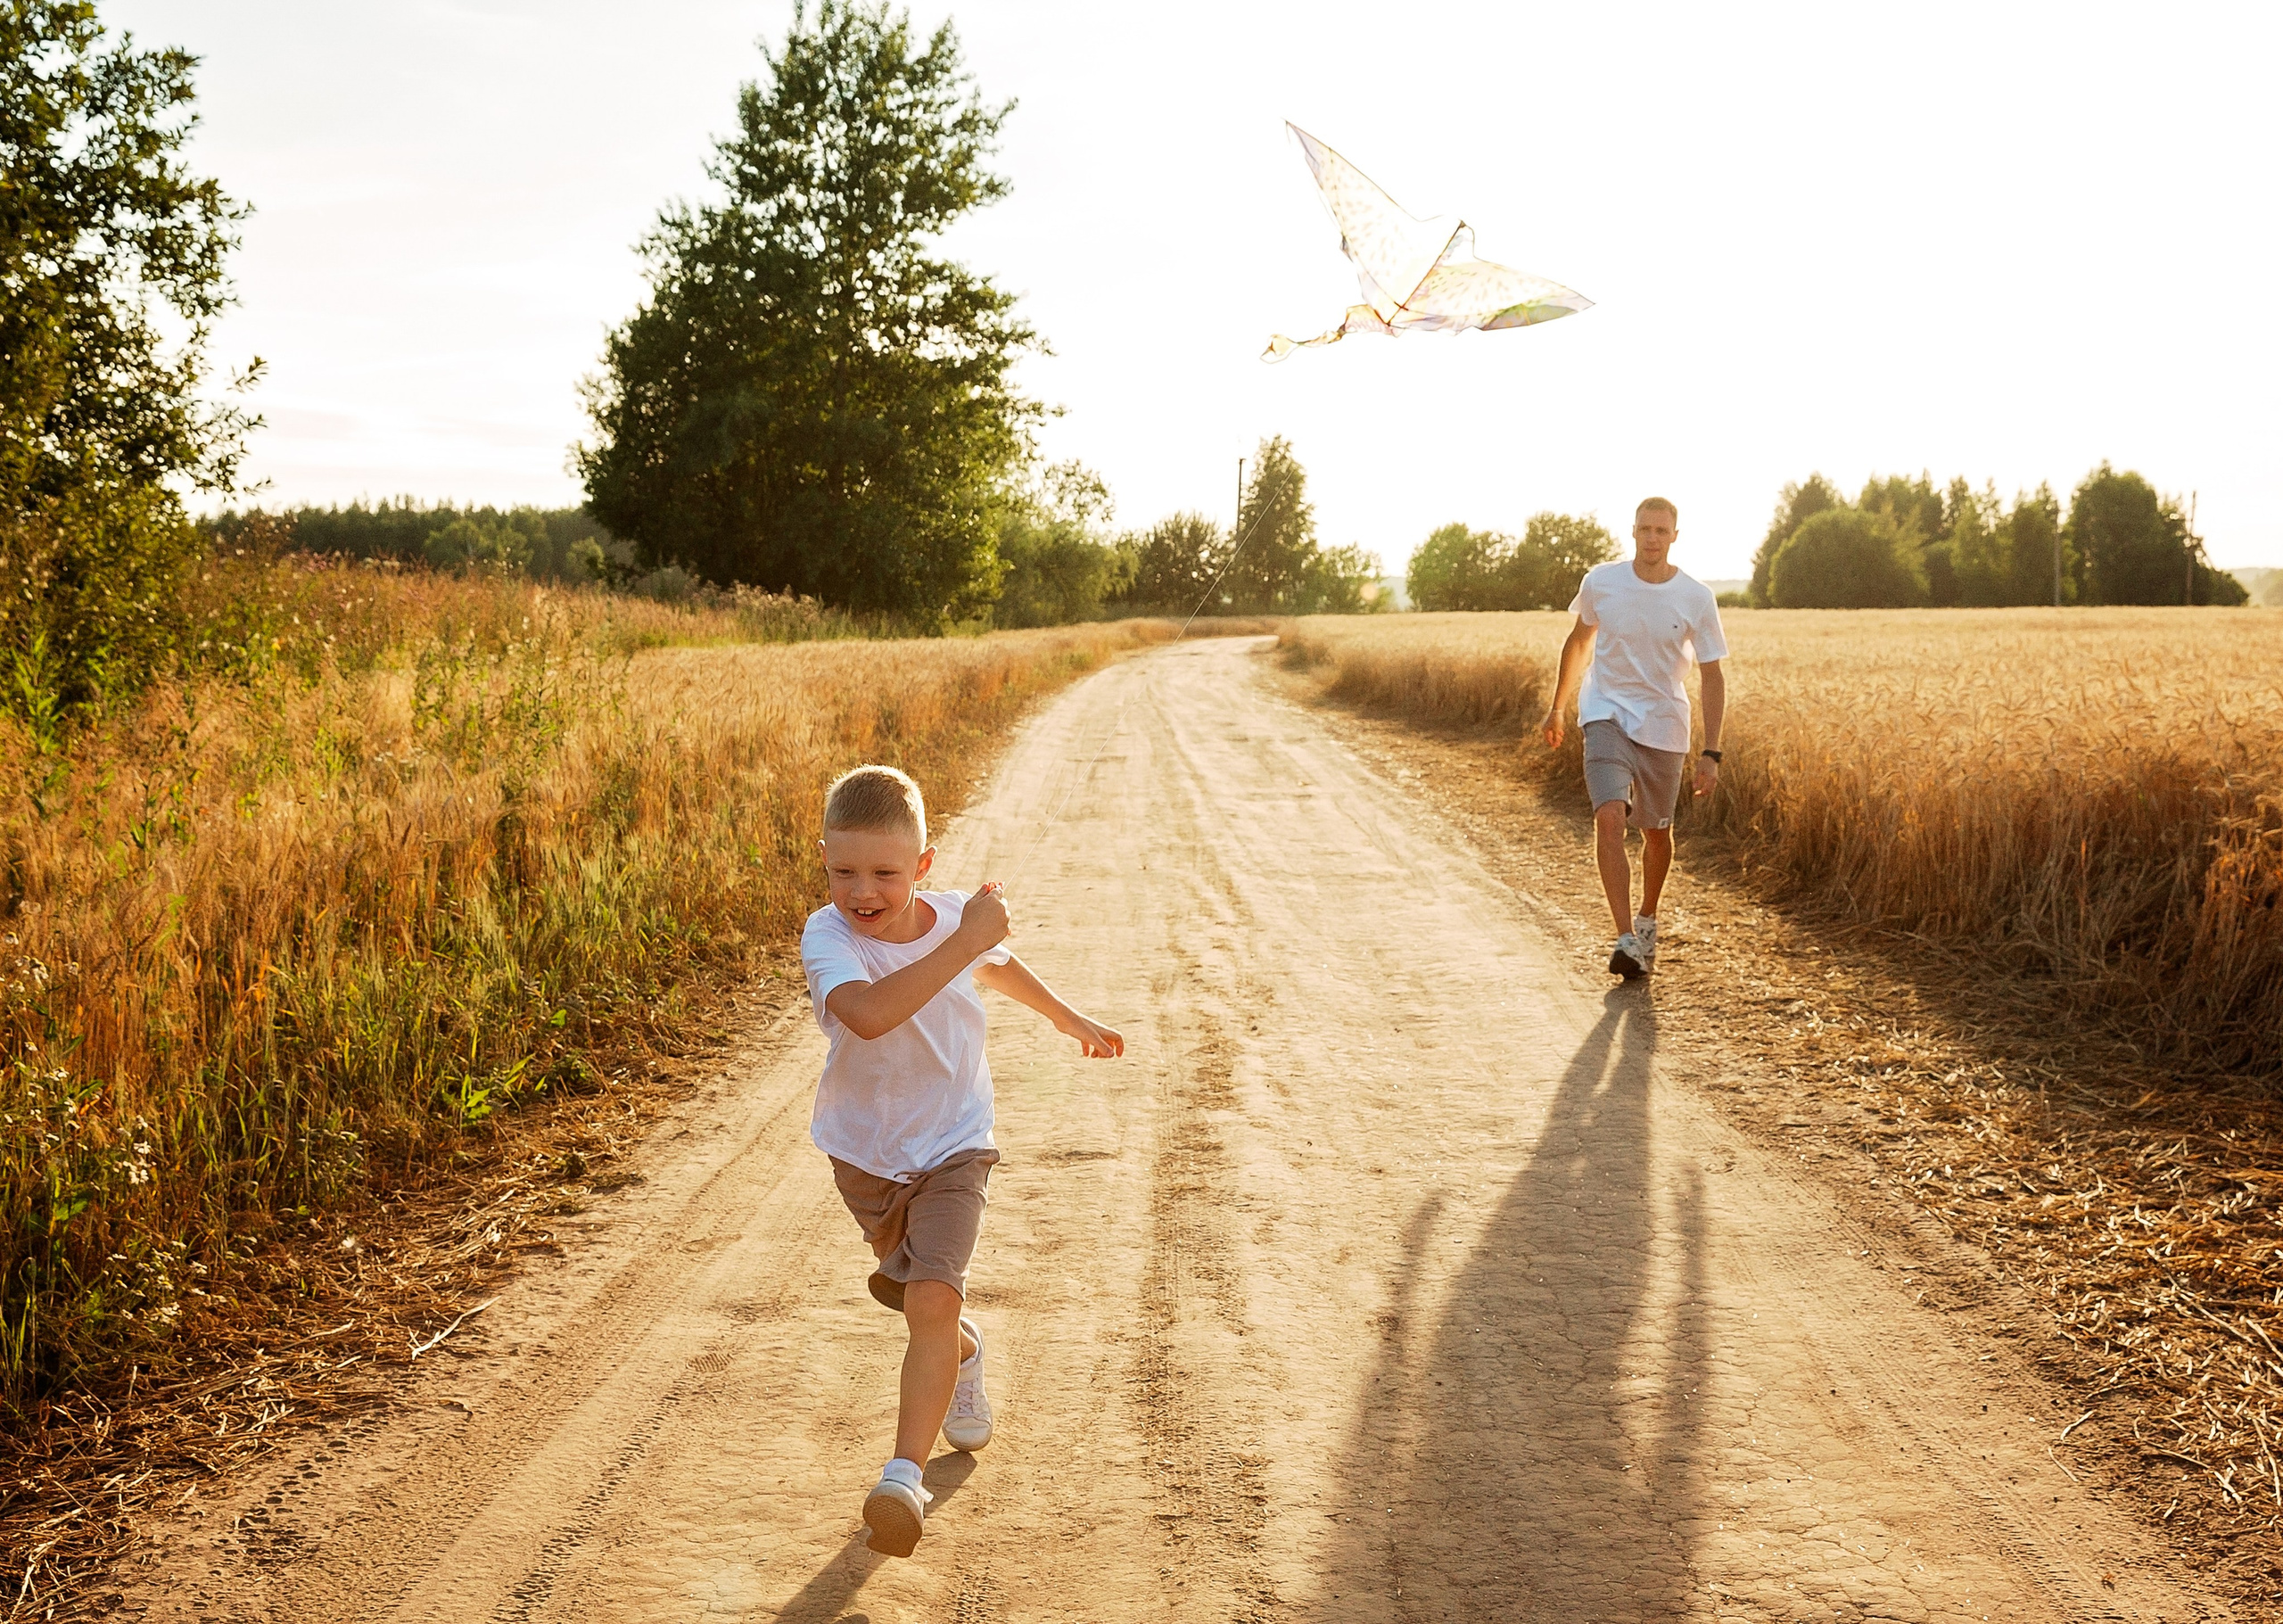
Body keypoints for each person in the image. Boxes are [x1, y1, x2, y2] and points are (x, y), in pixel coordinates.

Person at [800, 764, 1124, 1558]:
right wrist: (970, 938)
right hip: (867, 1154)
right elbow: (871, 1017)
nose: (863, 890)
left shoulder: (950, 921)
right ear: (824, 861)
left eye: (885, 872)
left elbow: (998, 966)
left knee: (931, 1300)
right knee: (923, 1302)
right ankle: (965, 1352)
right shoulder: (827, 936)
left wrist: (1065, 1015)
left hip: (955, 1143)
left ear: (925, 865)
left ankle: (901, 1478)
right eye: (845, 870)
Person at [1538, 497, 1727, 979]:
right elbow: (1579, 641)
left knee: (1657, 832)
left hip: (1665, 723)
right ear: (1634, 532)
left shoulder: (1696, 597)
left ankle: (1647, 920)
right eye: (1645, 529)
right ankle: (1625, 939)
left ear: (1675, 537)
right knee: (1607, 816)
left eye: (1662, 531)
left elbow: (1712, 675)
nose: (1652, 538)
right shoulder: (1602, 581)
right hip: (1605, 712)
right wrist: (1559, 706)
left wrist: (1711, 752)